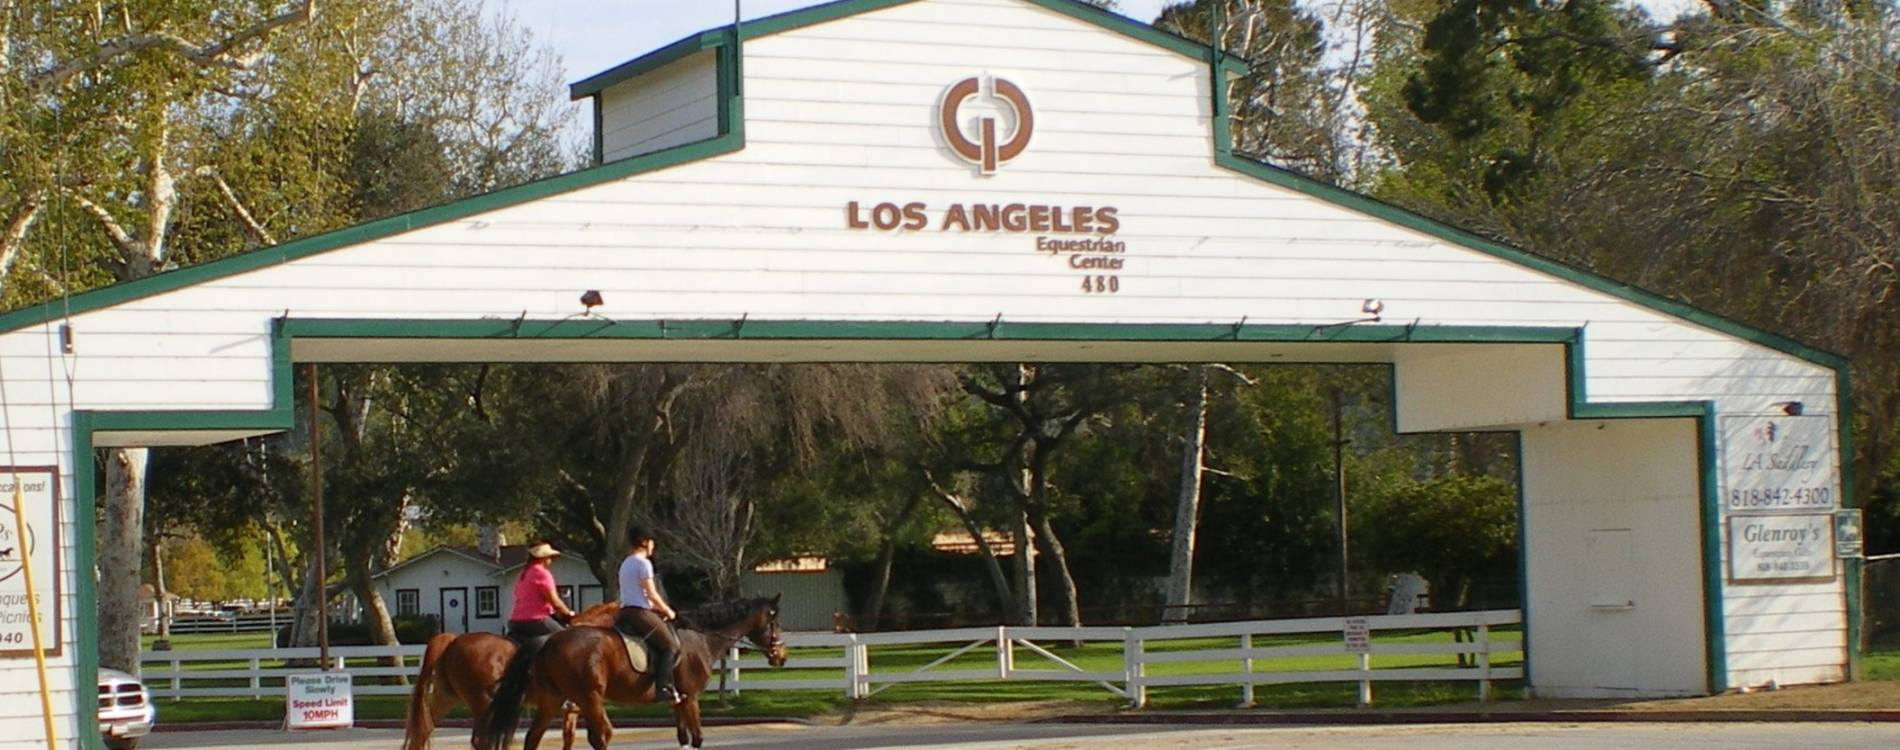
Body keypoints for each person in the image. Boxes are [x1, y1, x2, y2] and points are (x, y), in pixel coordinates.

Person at [616, 526, 682, 703]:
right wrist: (667, 610)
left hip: (625, 611)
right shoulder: (643, 563)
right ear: (644, 542)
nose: (653, 546)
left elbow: (638, 592)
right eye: (652, 542)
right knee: (670, 646)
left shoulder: (626, 562)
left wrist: (655, 607)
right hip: (639, 612)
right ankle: (663, 688)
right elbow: (651, 593)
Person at [505, 542, 576, 642]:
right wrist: (569, 614)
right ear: (543, 558)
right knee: (567, 640)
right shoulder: (543, 574)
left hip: (515, 621)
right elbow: (555, 602)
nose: (551, 560)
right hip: (536, 620)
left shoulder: (524, 574)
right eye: (550, 557)